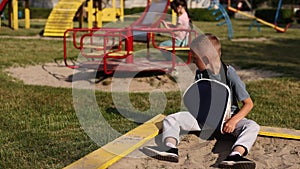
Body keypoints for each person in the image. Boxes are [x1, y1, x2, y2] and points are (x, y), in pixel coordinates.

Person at [143, 33, 260, 169]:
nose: (192, 61)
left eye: (194, 58)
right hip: (203, 120)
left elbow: (248, 103)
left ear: (205, 59)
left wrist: (233, 121)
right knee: (172, 119)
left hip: (227, 122)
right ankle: (170, 148)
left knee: (252, 126)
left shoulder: (229, 74)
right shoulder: (200, 73)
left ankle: (236, 155)